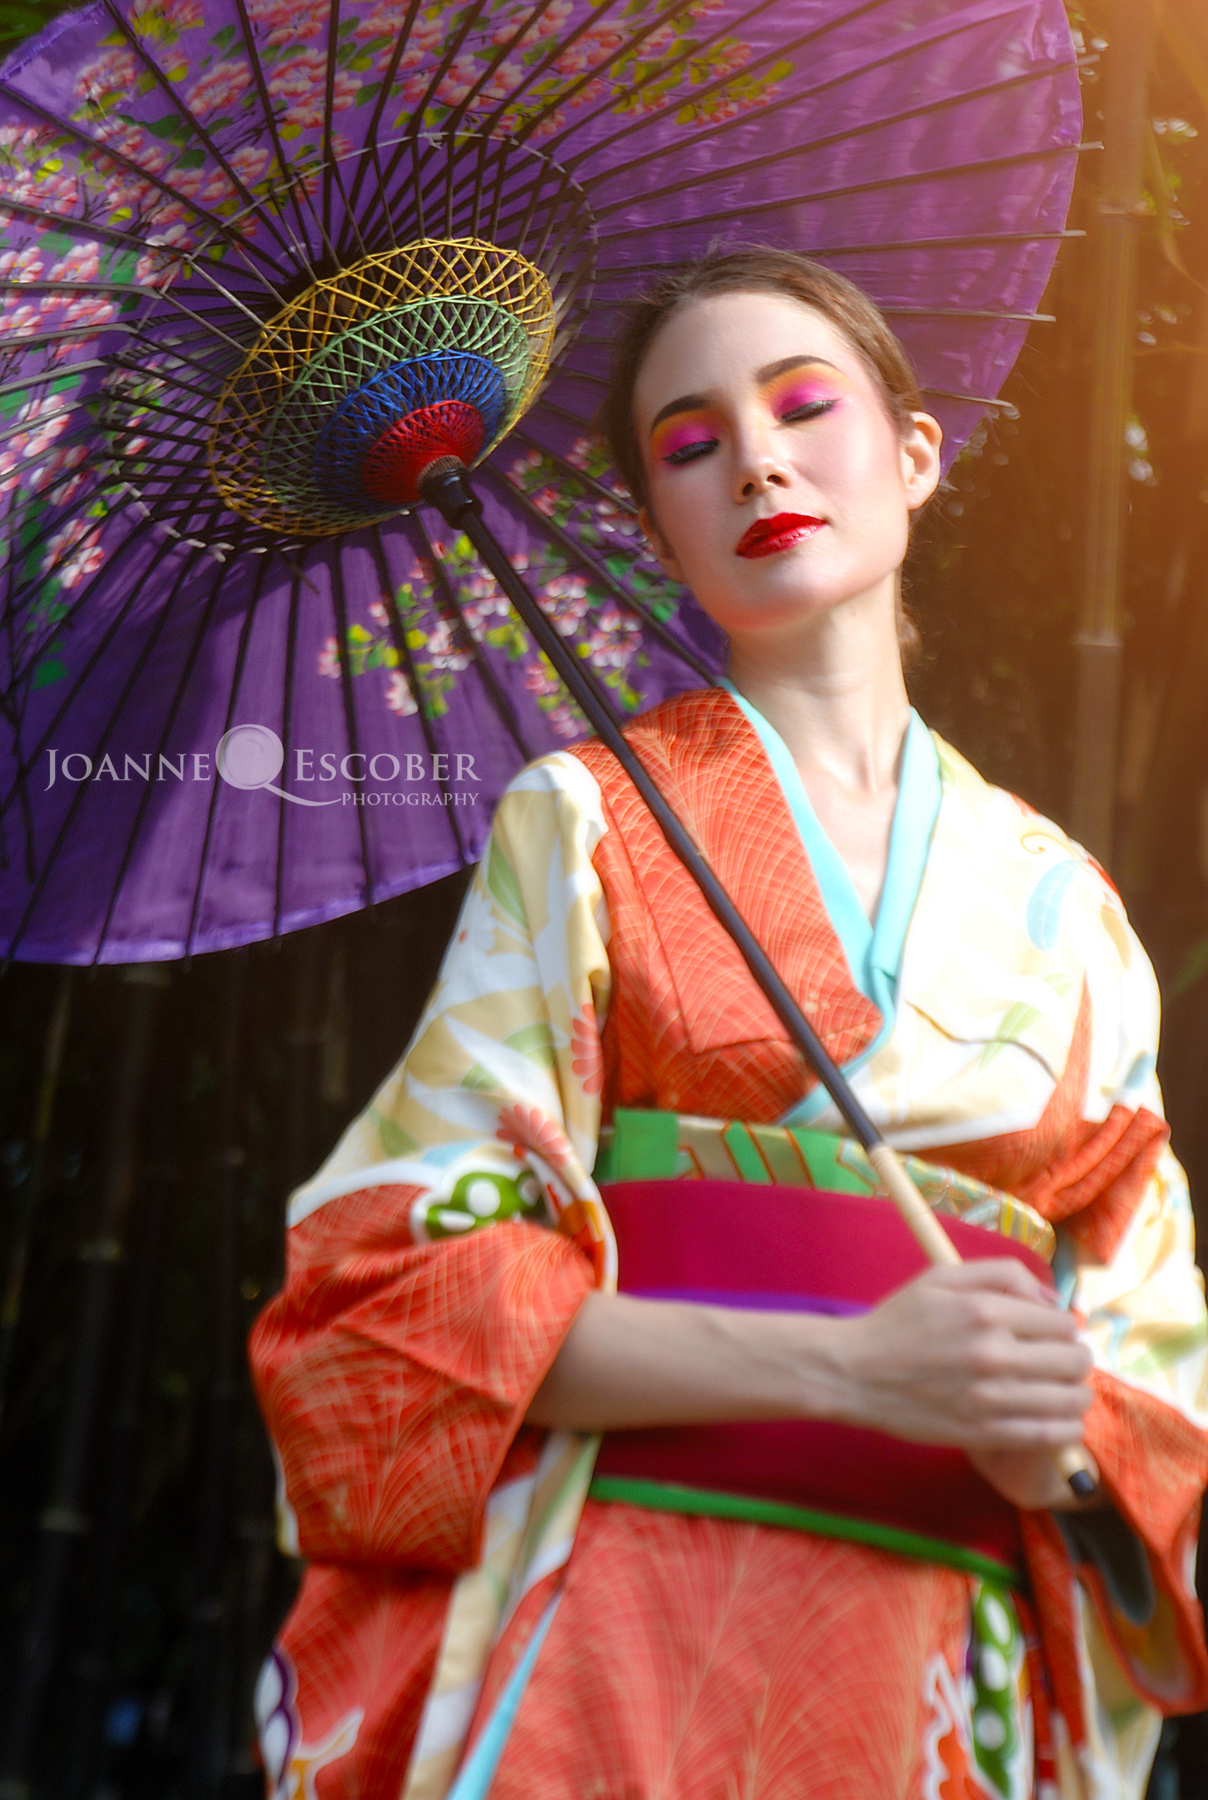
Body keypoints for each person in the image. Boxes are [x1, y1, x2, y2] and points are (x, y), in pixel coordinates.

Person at [249, 251, 1208, 1800]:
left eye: (804, 404)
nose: (755, 456)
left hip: (951, 1650)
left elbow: (1144, 1334)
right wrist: (845, 1368)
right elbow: (397, 1288)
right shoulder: (582, 823)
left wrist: (1068, 1446)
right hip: (633, 1619)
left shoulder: (1072, 905)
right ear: (657, 527)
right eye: (690, 444)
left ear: (913, 453)